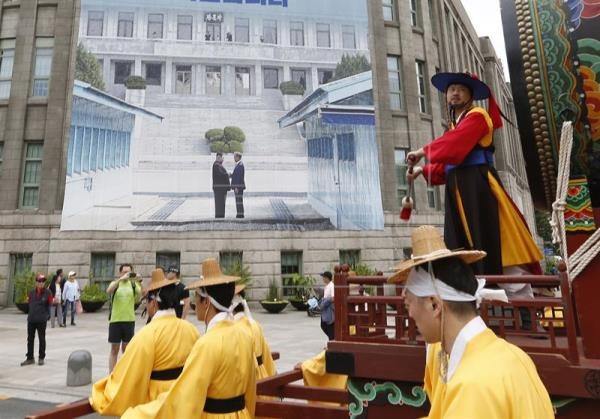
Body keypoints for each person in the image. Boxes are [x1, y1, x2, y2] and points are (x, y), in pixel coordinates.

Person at [389, 225, 554, 418]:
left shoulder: (472, 385)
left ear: (434, 305)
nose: (410, 315)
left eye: (409, 305)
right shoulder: (514, 355)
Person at [406, 72, 542, 278]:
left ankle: (506, 292)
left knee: (489, 236)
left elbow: (454, 146)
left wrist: (422, 152)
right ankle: (474, 290)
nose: (455, 93)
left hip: (478, 186)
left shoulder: (477, 116)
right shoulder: (456, 125)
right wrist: (421, 171)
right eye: (452, 90)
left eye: (461, 90)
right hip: (460, 187)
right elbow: (449, 164)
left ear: (471, 96)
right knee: (463, 243)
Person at [122, 258, 256, 418]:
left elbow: (186, 397)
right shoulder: (244, 334)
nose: (194, 303)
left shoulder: (207, 343)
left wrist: (138, 414)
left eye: (196, 298)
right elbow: (251, 389)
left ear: (206, 302)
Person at [90, 268, 199, 416]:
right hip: (185, 402)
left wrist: (101, 391)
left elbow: (127, 379)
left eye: (146, 301)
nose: (146, 306)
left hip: (157, 404)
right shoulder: (191, 330)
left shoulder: (146, 335)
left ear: (153, 302)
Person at [233, 284, 276, 379]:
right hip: (262, 376)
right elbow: (267, 357)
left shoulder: (233, 330)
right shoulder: (255, 324)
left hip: (248, 381)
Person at [106, 263, 142, 372]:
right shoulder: (115, 283)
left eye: (128, 272)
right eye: (124, 272)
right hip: (116, 320)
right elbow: (108, 291)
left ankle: (124, 373)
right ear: (120, 273)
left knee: (126, 349)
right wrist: (120, 280)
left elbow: (142, 294)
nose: (126, 274)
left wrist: (140, 281)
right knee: (114, 349)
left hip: (129, 320)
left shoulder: (133, 285)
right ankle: (111, 374)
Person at [21, 273, 52, 366]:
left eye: (43, 281)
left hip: (41, 320)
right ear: (36, 282)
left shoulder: (48, 293)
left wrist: (47, 316)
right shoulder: (31, 293)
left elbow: (50, 305)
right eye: (39, 281)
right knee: (30, 339)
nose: (41, 283)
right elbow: (29, 303)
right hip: (31, 319)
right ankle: (30, 358)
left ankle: (41, 357)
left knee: (42, 339)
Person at [212, 152, 231, 218]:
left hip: (220, 189)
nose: (223, 160)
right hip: (219, 189)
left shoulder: (218, 164)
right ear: (218, 157)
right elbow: (221, 175)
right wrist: (228, 174)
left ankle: (220, 215)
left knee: (221, 203)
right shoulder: (216, 165)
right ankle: (220, 216)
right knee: (220, 203)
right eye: (222, 158)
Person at [319, 271, 335, 341]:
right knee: (323, 325)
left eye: (324, 277)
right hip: (325, 308)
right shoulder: (327, 286)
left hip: (329, 308)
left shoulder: (332, 285)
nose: (323, 279)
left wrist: (325, 302)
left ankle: (332, 340)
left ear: (327, 278)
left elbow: (333, 297)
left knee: (329, 325)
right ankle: (332, 340)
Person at [231, 151, 246, 219]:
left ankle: (240, 214)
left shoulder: (240, 165)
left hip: (238, 187)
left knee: (239, 200)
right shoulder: (239, 164)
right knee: (238, 200)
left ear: (238, 157)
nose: (234, 158)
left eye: (235, 156)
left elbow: (239, 177)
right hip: (239, 186)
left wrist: (236, 187)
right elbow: (236, 175)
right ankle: (240, 213)